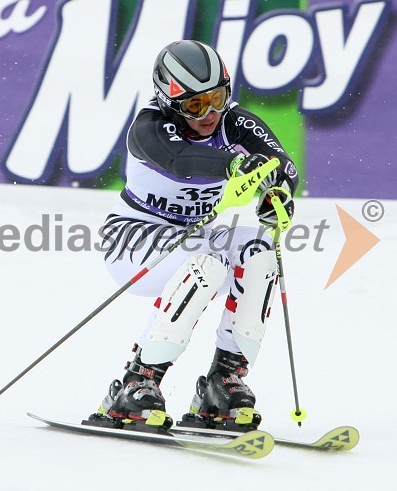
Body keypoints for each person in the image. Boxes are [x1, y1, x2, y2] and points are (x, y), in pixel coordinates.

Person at [87, 40, 299, 432]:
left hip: (194, 236)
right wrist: (235, 163)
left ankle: (223, 382)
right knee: (205, 265)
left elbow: (282, 164)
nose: (210, 114)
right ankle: (137, 382)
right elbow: (181, 162)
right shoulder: (148, 128)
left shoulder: (234, 121)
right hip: (135, 238)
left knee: (260, 250)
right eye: (195, 106)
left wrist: (279, 195)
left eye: (217, 98)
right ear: (170, 103)